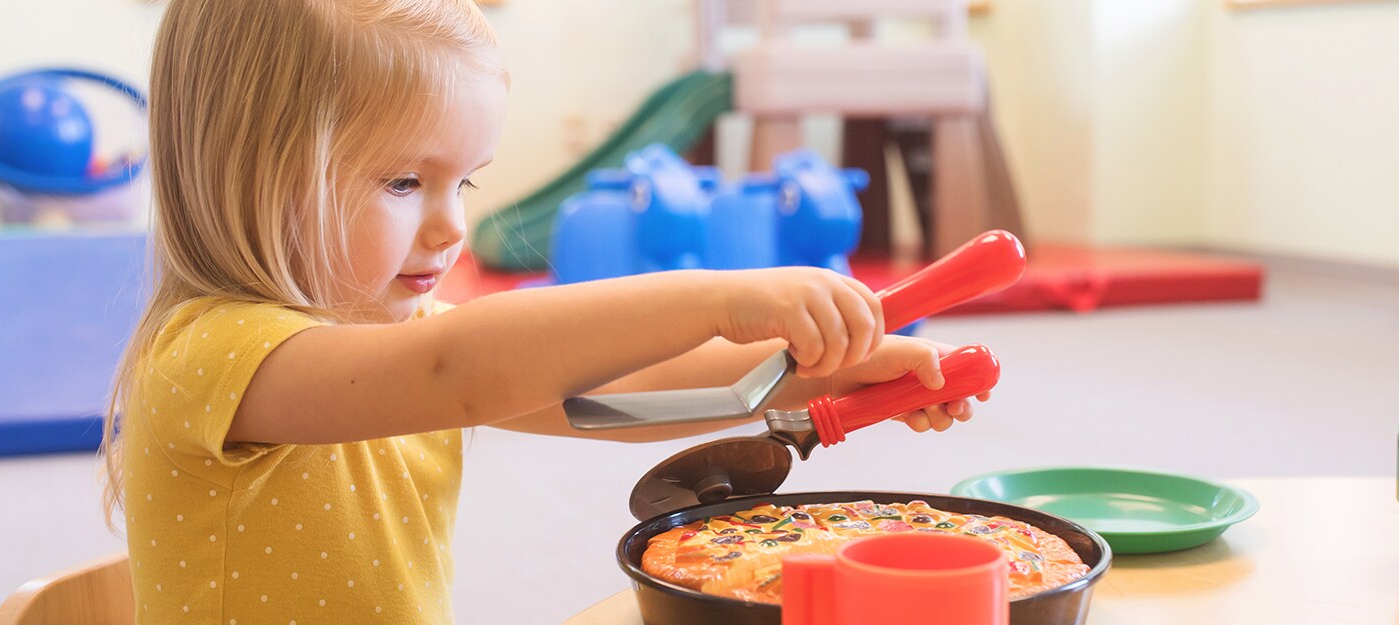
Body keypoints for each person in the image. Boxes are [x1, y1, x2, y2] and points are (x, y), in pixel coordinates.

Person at [102, 1, 987, 623]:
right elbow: (459, 371)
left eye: (466, 179)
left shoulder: (391, 338)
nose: (452, 224)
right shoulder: (212, 353)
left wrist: (825, 370)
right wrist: (722, 295)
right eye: (404, 181)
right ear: (249, 170)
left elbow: (629, 392)